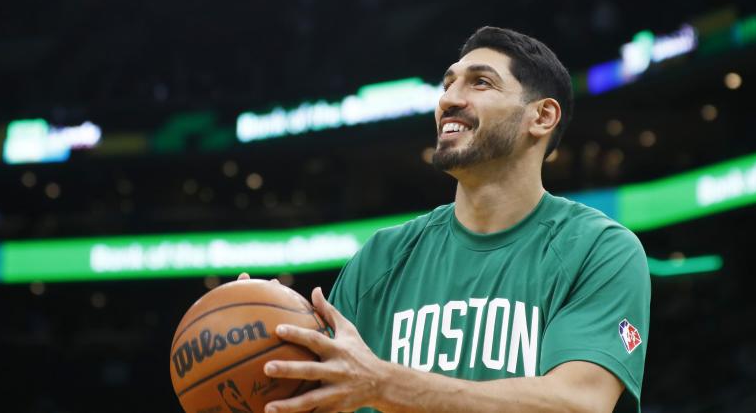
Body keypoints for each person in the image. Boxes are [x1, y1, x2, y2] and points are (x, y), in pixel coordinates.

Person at [253, 26, 651, 413]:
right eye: (447, 85)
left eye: (480, 83)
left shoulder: (598, 248)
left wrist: (385, 385)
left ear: (543, 117)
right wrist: (264, 343)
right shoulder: (381, 257)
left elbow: (578, 403)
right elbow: (323, 393)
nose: (448, 100)